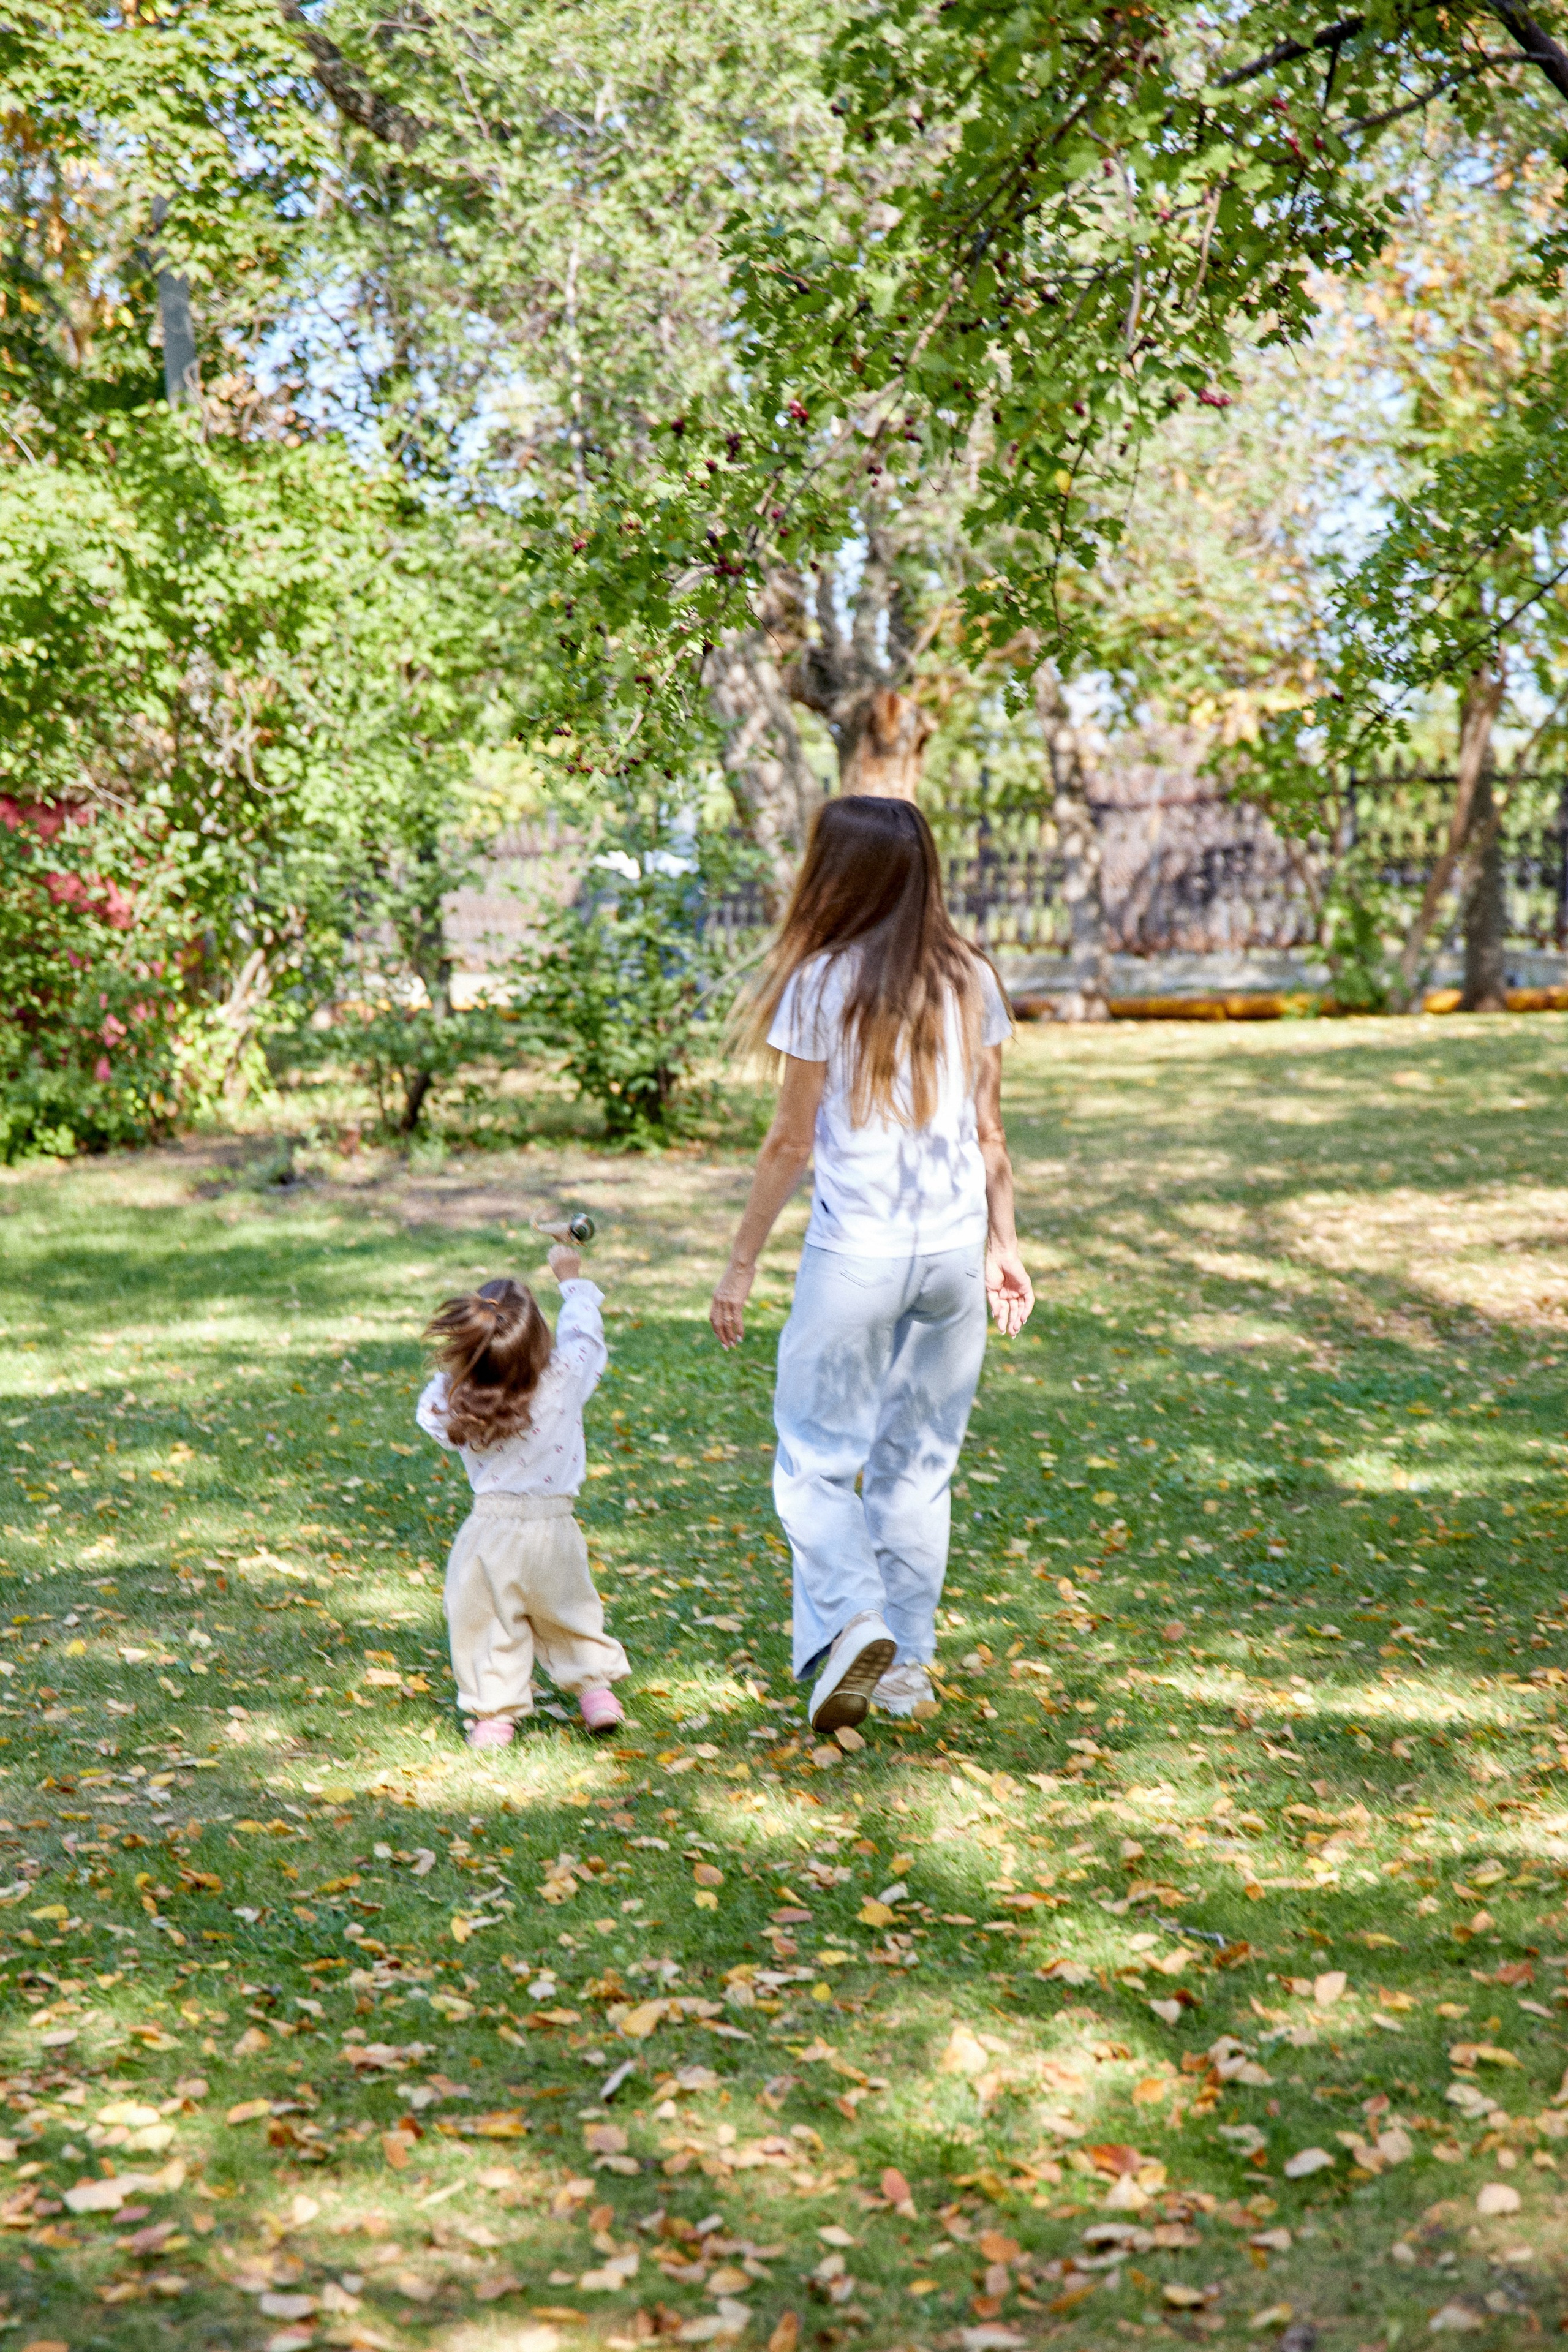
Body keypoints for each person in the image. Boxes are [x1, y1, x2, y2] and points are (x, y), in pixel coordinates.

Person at [710, 794, 1034, 1735]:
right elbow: (990, 1133)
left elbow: (787, 1144)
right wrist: (1003, 1245)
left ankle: (855, 1623)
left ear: (839, 875)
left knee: (814, 1464)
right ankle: (907, 1670)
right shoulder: (971, 975)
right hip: (949, 1263)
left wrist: (739, 1266)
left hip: (856, 1257)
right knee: (916, 1471)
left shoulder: (822, 982)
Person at [417, 1242, 628, 1747]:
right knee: (571, 1611)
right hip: (556, 1528)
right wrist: (570, 1278)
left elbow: (429, 1411)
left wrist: (466, 1371)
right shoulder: (564, 1377)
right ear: (540, 1341)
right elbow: (586, 1337)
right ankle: (595, 1694)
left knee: (487, 1625)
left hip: (489, 1534)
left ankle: (495, 1718)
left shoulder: (455, 1401)